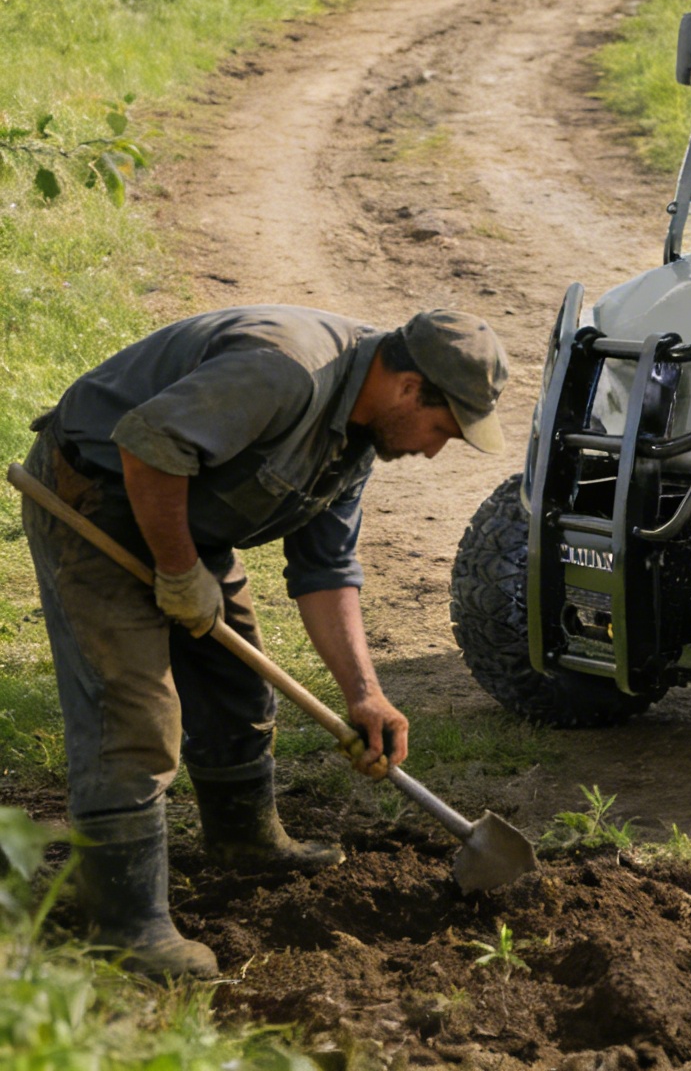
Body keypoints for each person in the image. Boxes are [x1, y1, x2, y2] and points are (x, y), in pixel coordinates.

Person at [21, 304, 509, 979]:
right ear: (408, 388)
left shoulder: (358, 437)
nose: (433, 449)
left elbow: (325, 570)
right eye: (442, 429)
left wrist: (364, 696)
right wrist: (179, 569)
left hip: (183, 516)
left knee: (237, 683)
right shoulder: (287, 370)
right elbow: (147, 443)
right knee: (131, 711)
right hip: (97, 496)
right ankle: (125, 926)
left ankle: (244, 841)